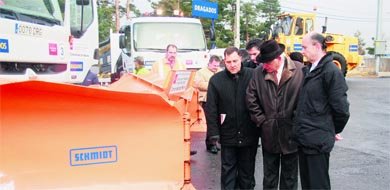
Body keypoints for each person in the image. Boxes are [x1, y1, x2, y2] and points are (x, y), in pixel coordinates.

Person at [293, 32, 350, 190]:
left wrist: (332, 129)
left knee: (318, 184)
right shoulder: (310, 69)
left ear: (317, 46)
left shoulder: (330, 71)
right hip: (305, 138)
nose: (302, 51)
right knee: (307, 184)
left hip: (317, 140)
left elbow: (342, 109)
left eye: (304, 47)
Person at [246, 40, 304, 190]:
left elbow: (306, 101)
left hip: (292, 134)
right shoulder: (258, 73)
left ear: (278, 59)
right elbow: (251, 98)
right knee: (269, 177)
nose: (264, 66)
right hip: (269, 133)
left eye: (267, 62)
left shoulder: (300, 71)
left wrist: (297, 123)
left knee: (290, 178)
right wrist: (262, 121)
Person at [206, 46, 260, 189]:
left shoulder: (253, 75)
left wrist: (261, 126)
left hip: (249, 132)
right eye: (228, 62)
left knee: (247, 171)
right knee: (228, 170)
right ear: (224, 62)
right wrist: (214, 134)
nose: (232, 65)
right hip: (227, 133)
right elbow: (211, 109)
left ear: (241, 58)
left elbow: (261, 101)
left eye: (235, 61)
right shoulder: (216, 80)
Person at [193, 55, 222, 154]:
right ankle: (211, 144)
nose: (216, 67)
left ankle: (215, 142)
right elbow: (198, 84)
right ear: (209, 63)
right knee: (211, 122)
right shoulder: (200, 72)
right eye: (214, 65)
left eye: (217, 66)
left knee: (218, 122)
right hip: (206, 100)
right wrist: (214, 85)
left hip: (218, 100)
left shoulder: (220, 71)